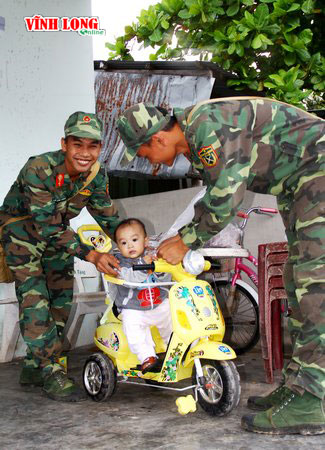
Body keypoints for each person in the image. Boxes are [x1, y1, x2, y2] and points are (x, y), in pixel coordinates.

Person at [116, 99, 325, 435]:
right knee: (297, 280)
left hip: (318, 174)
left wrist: (185, 241)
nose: (151, 166)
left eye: (144, 156)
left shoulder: (204, 125)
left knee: (314, 286)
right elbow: (211, 196)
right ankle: (301, 386)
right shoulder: (198, 142)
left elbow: (227, 195)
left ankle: (315, 398)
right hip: (301, 185)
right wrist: (178, 237)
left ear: (157, 139)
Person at [0, 111, 121, 402]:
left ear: (99, 149)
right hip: (21, 231)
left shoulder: (96, 174)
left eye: (92, 146)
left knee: (60, 300)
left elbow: (108, 215)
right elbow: (47, 225)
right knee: (34, 298)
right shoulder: (39, 168)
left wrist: (134, 242)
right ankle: (50, 368)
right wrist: (91, 254)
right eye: (77, 144)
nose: (84, 153)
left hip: (58, 235)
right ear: (64, 144)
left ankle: (34, 364)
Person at [113, 218, 172, 373]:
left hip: (157, 303)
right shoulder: (120, 263)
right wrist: (142, 266)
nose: (130, 245)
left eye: (134, 240)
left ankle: (173, 346)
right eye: (124, 243)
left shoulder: (152, 256)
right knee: (132, 325)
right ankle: (146, 356)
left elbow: (166, 279)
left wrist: (159, 268)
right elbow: (129, 279)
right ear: (119, 247)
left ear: (145, 241)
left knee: (171, 313)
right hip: (133, 307)